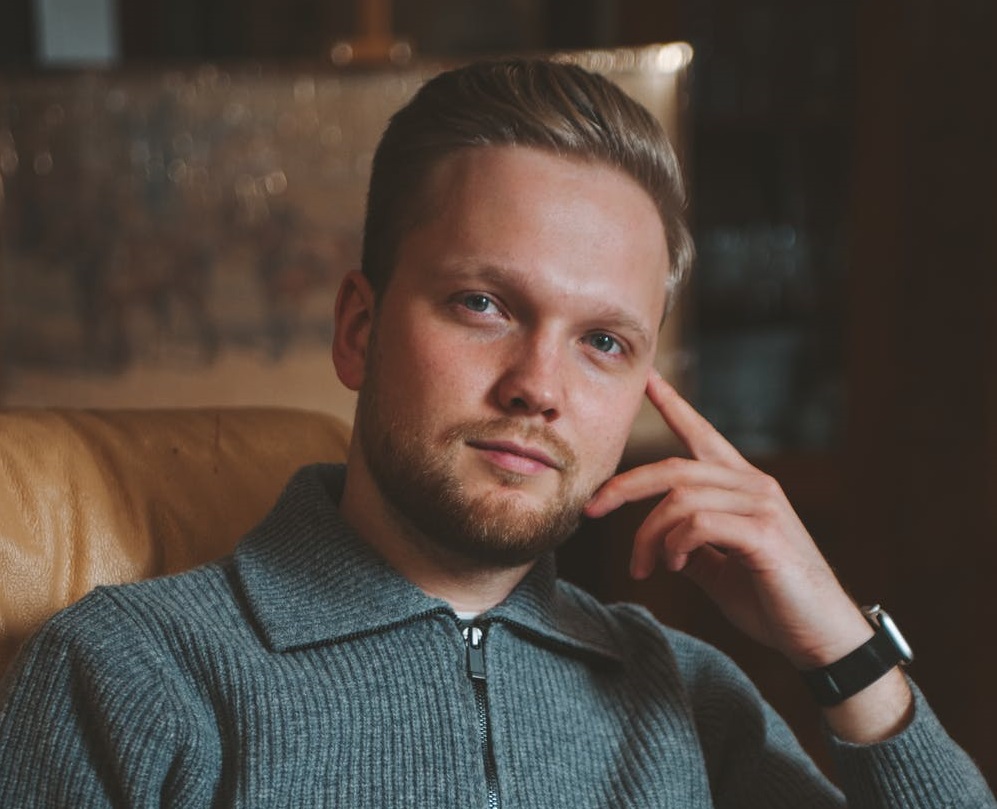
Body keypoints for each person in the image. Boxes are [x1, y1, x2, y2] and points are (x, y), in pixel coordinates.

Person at [0, 58, 992, 808]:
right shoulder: (133, 670)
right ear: (359, 327)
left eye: (602, 340)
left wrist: (845, 651)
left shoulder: (680, 691)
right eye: (481, 302)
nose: (538, 386)